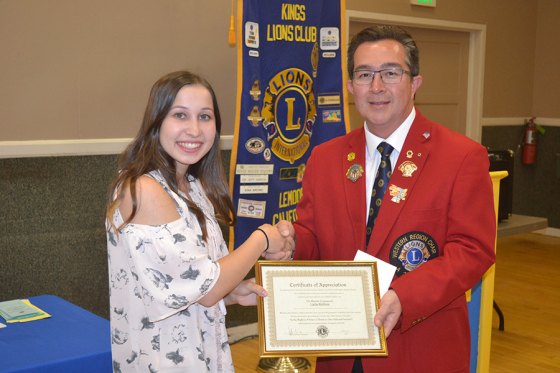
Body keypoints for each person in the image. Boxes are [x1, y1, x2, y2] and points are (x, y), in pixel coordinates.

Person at [292, 25, 496, 372]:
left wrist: (405, 296)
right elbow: (312, 238)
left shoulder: (462, 157)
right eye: (364, 74)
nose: (376, 87)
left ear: (415, 82)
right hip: (340, 351)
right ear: (350, 86)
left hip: (419, 347)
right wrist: (289, 243)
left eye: (390, 73)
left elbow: (472, 250)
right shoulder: (324, 159)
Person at [105, 70, 294, 372]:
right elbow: (206, 290)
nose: (194, 129)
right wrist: (263, 238)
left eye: (205, 117)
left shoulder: (190, 186)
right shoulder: (144, 189)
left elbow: (189, 282)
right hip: (165, 359)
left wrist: (231, 292)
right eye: (180, 115)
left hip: (202, 350)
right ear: (156, 122)